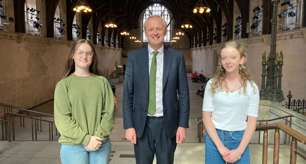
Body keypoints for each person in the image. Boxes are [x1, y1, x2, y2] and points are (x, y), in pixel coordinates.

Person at [122, 16, 190, 164]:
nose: (155, 32)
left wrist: (182, 125)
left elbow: (184, 94)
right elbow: (127, 94)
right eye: (150, 29)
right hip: (142, 125)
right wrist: (128, 125)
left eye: (158, 28)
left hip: (167, 125)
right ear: (145, 32)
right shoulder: (134, 57)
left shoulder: (176, 57)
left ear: (165, 31)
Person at [54, 39, 114, 164]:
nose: (84, 56)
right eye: (80, 52)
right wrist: (86, 139)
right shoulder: (63, 85)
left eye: (89, 53)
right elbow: (62, 119)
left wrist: (97, 138)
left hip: (99, 142)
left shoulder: (102, 82)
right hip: (72, 145)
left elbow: (109, 112)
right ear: (73, 55)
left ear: (93, 56)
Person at [202, 41, 259, 164]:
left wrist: (239, 151)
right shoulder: (212, 84)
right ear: (220, 61)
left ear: (242, 59)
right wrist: (220, 147)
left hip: (240, 139)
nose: (228, 61)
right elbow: (206, 117)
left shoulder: (251, 87)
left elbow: (252, 121)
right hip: (215, 137)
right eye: (224, 58)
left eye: (233, 57)